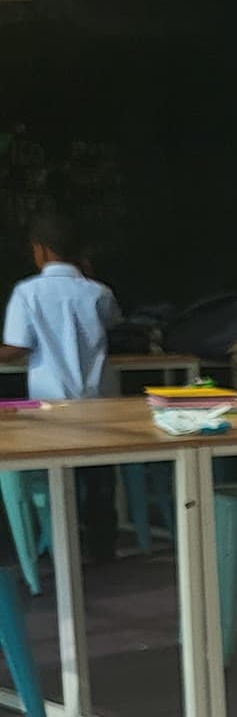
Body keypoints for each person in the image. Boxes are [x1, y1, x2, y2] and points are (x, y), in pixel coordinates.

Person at [1, 213, 122, 558]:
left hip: (49, 403)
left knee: (57, 476)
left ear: (39, 250)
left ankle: (63, 546)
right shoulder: (98, 291)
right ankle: (102, 545)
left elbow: (17, 348)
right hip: (99, 400)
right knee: (100, 476)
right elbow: (113, 323)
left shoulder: (27, 292)